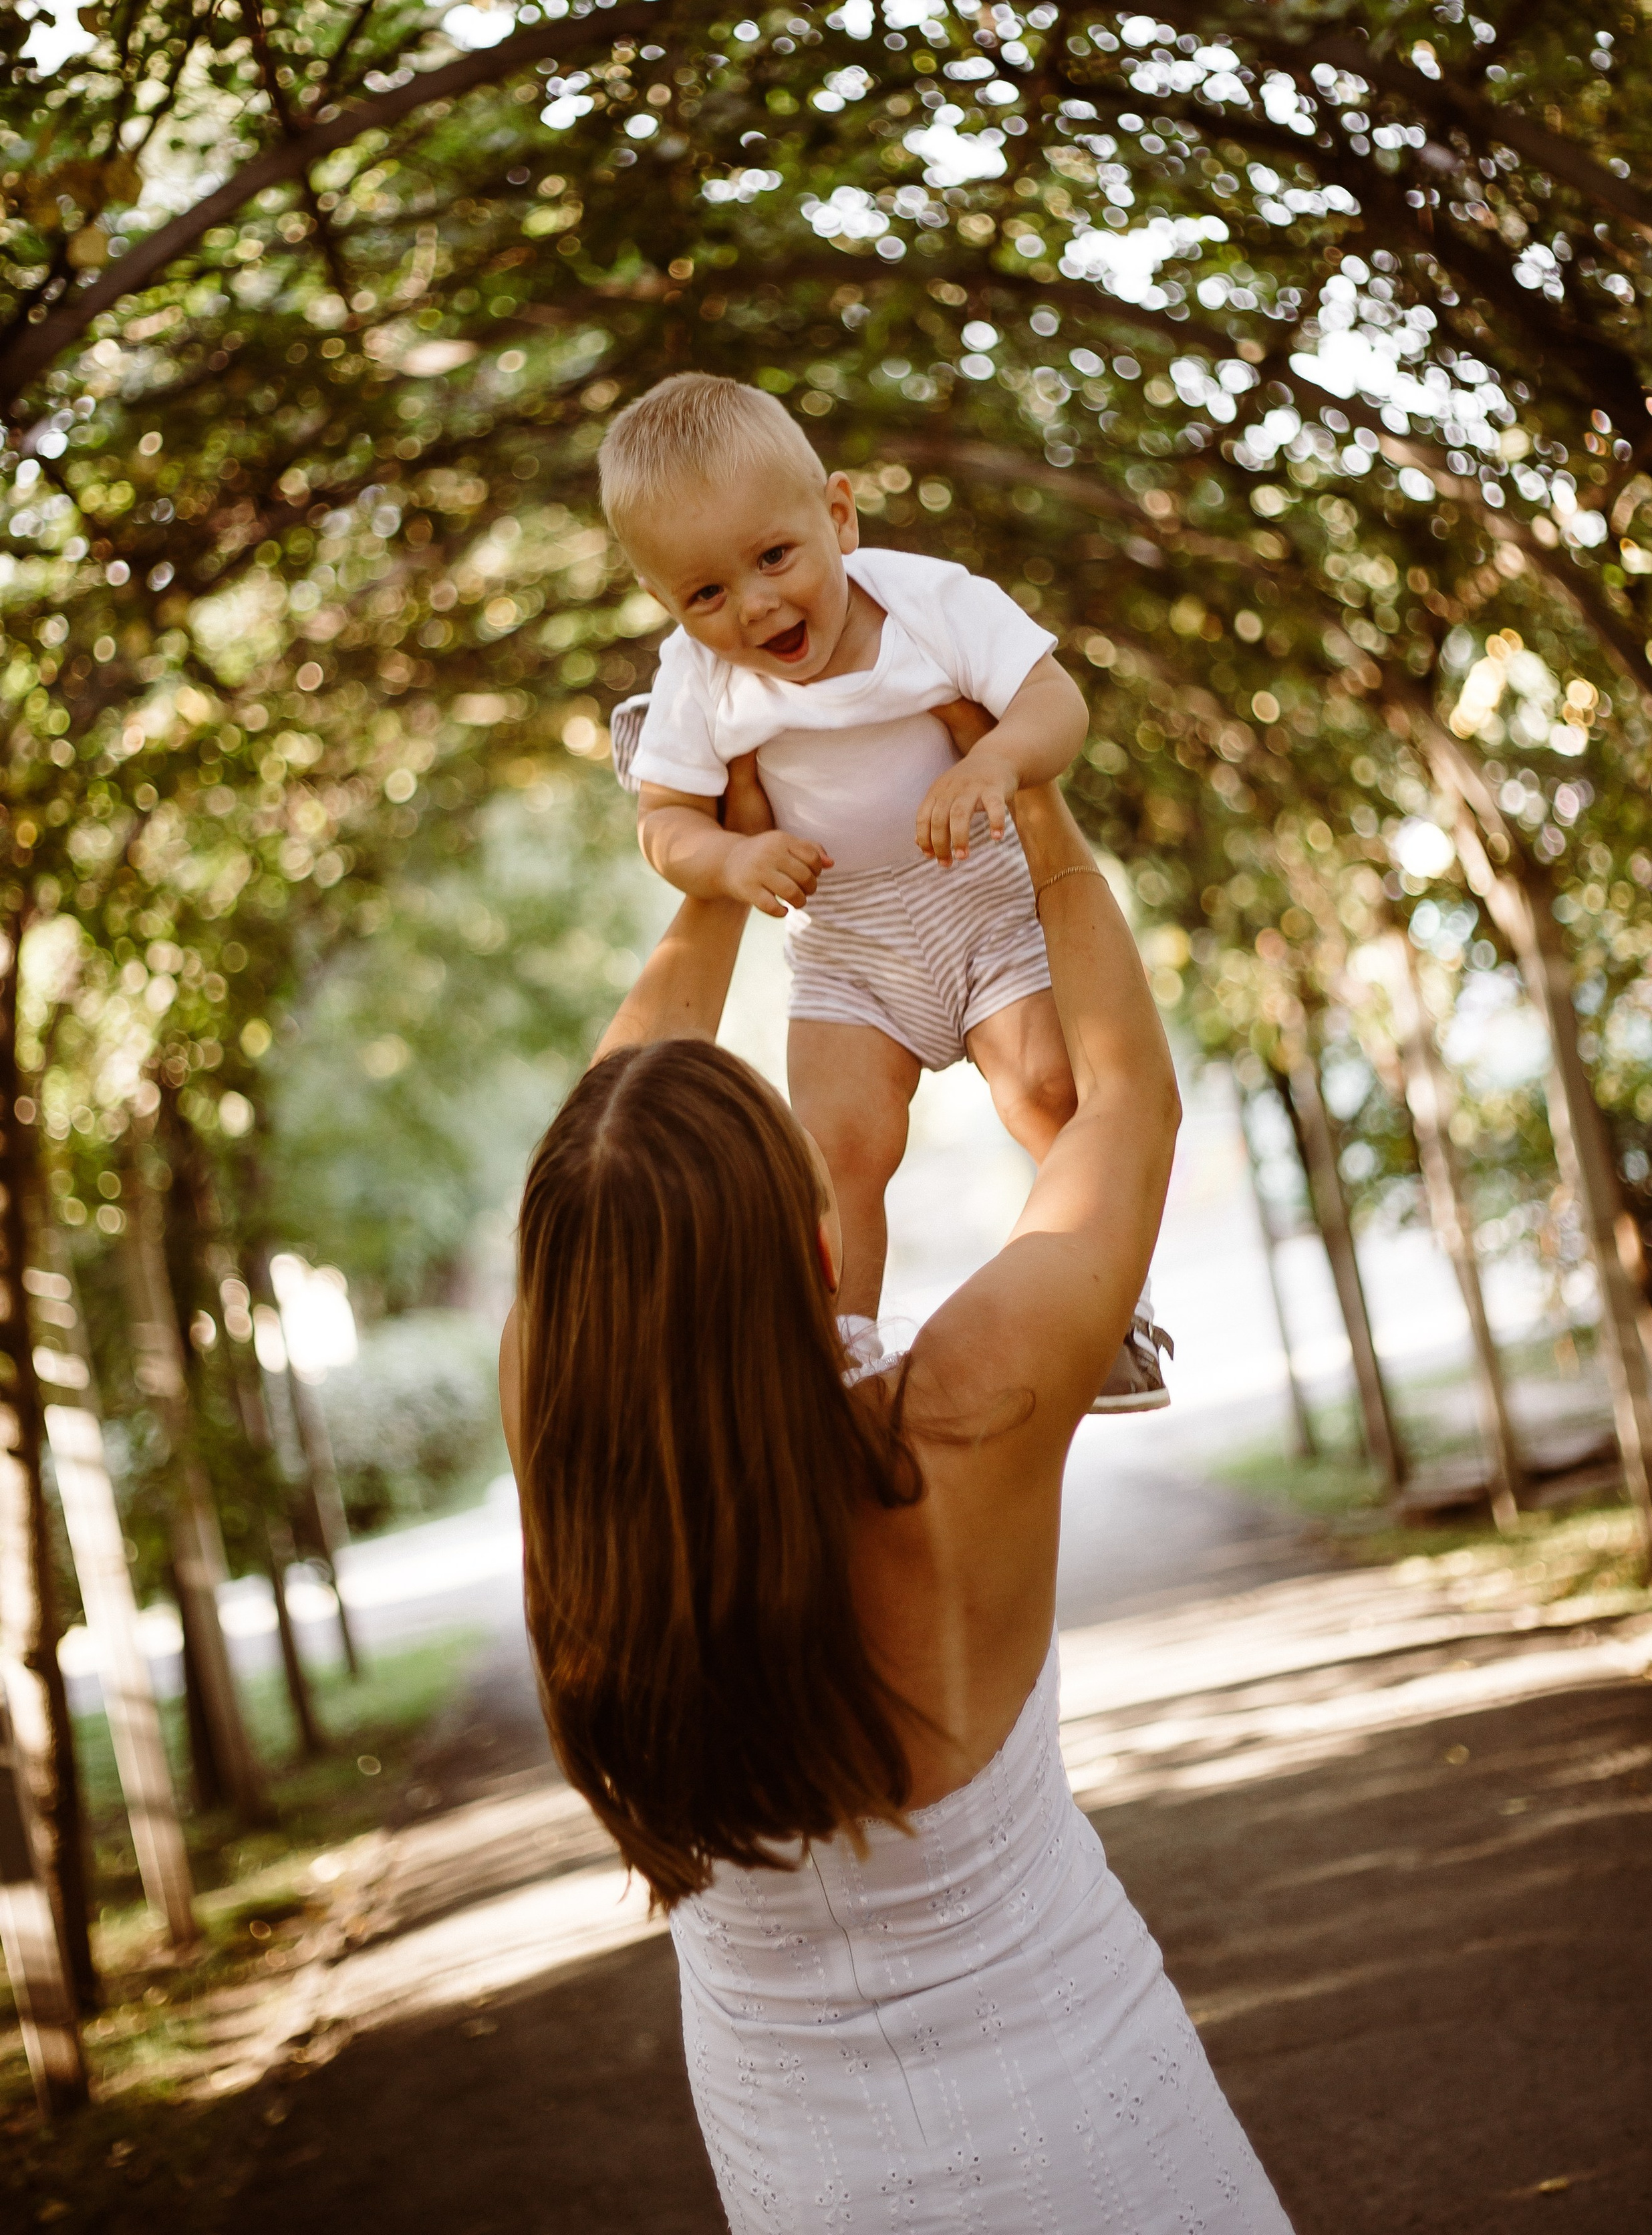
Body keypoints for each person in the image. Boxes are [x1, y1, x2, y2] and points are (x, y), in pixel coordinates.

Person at [500, 748, 1293, 2233]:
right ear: (813, 1252)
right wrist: (1039, 802)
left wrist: (723, 882)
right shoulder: (958, 1421)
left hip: (806, 2184)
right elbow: (1122, 1105)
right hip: (1096, 2132)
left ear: (567, 1305)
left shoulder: (566, 1463)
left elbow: (604, 1152)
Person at [596, 369, 1171, 1410]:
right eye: (707, 594)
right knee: (835, 1147)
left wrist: (995, 762)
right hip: (849, 937)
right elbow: (665, 825)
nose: (756, 604)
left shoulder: (930, 603)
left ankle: (1105, 1304)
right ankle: (845, 1351)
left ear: (839, 515)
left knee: (1049, 1089)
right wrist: (728, 859)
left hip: (981, 899)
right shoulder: (701, 674)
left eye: (774, 557)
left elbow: (1055, 702)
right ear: (667, 607)